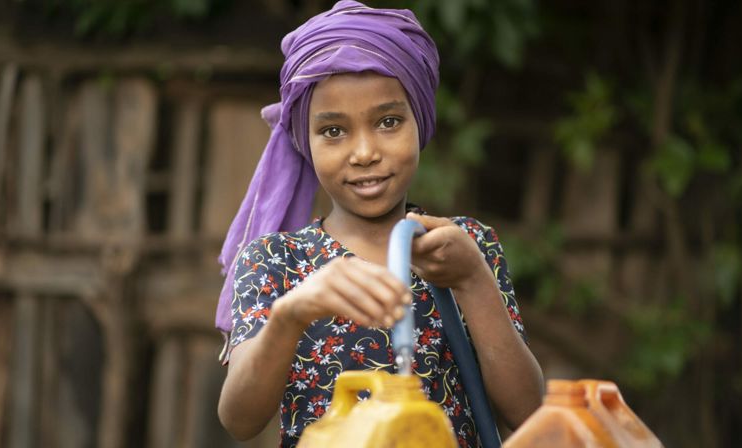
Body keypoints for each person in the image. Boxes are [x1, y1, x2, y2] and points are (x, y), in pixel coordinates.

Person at [216, 2, 543, 446]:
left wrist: (472, 280)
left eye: (388, 122)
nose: (365, 151)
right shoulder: (278, 260)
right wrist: (291, 314)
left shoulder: (463, 246)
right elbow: (238, 419)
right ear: (305, 141)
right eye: (334, 131)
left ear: (420, 122)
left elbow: (528, 415)